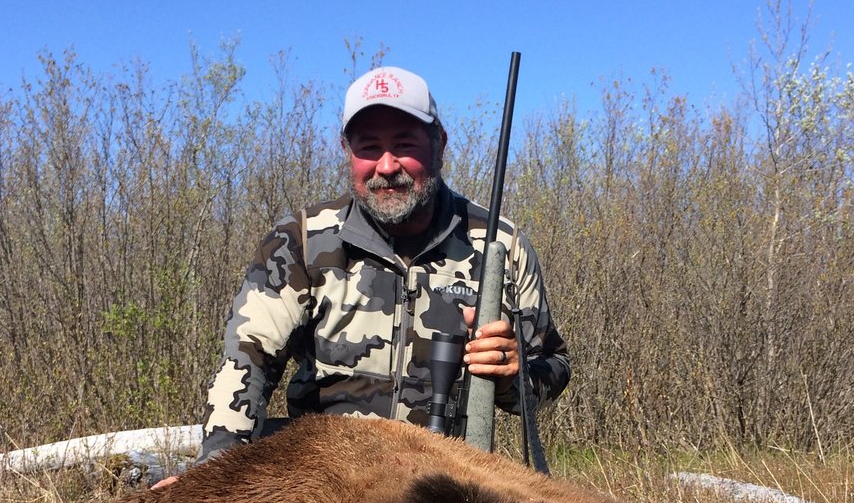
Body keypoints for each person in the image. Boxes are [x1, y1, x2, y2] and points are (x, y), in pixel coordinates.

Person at [190, 66, 570, 471]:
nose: (387, 166)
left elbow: (554, 366)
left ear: (439, 144)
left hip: (448, 474)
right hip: (326, 477)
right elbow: (247, 360)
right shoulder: (300, 240)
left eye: (404, 144)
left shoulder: (501, 245)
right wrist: (214, 470)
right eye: (369, 147)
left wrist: (513, 377)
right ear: (346, 150)